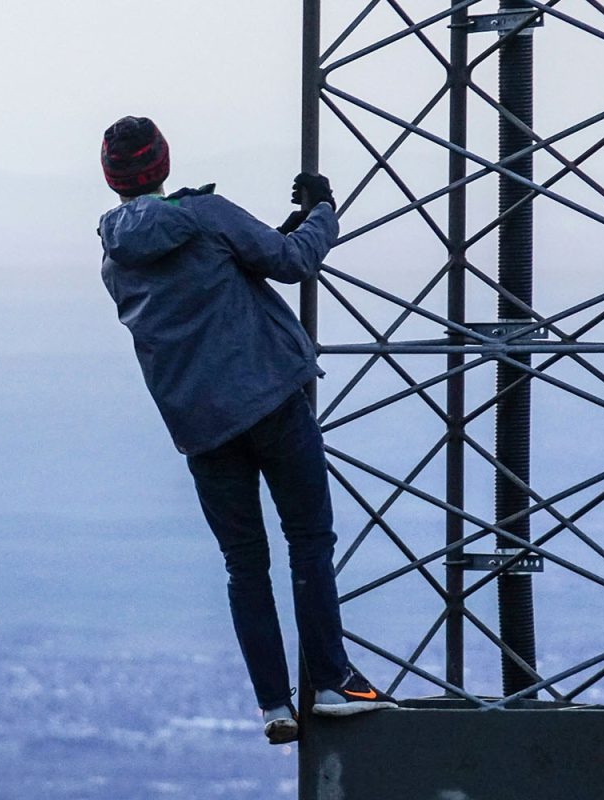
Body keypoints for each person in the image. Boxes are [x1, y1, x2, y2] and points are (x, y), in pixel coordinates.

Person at [96, 116, 396, 745]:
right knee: (309, 539)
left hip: (202, 429)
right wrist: (323, 211)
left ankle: (274, 705)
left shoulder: (114, 258)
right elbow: (290, 263)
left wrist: (266, 235)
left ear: (112, 178)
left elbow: (206, 283)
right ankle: (333, 682)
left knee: (244, 563)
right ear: (164, 163)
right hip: (271, 402)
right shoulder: (205, 213)